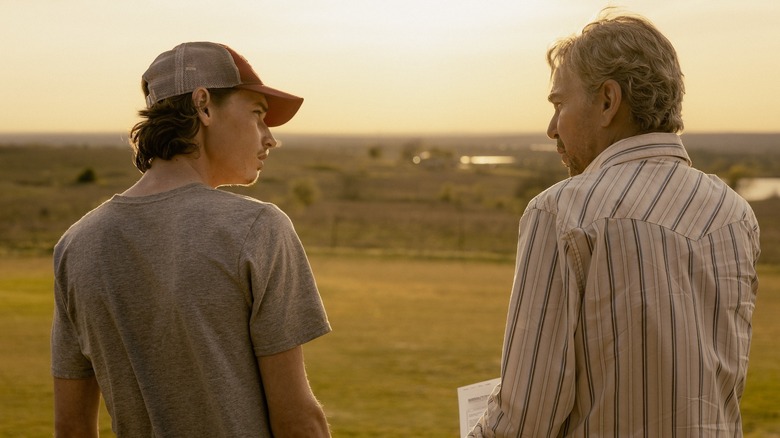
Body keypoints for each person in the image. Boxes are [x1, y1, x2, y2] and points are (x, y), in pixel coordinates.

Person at [468, 10, 760, 437]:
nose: (552, 128)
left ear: (607, 101)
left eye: (559, 104)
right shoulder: (736, 215)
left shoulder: (562, 212)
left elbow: (524, 419)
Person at [51, 42, 332, 437]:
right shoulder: (257, 228)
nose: (270, 138)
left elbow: (72, 426)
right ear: (204, 105)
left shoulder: (76, 244)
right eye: (257, 114)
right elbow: (297, 420)